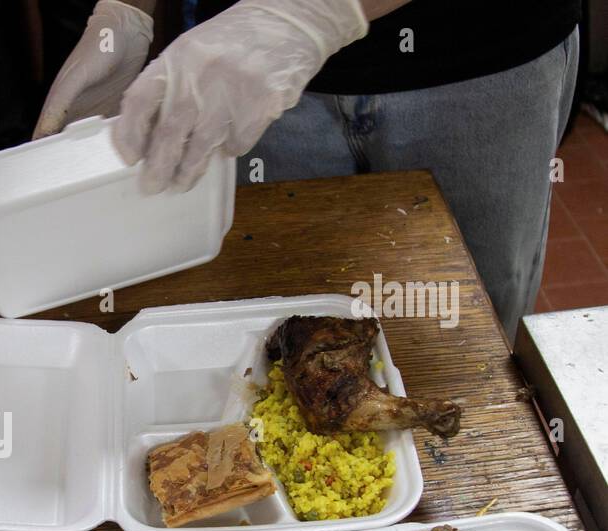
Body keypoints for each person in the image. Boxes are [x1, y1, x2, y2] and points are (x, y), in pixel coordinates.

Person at [36, 0, 581, 342]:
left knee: (461, 339)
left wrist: (315, 10)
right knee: (276, 337)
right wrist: (127, 13)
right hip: (253, 72)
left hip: (481, 60)